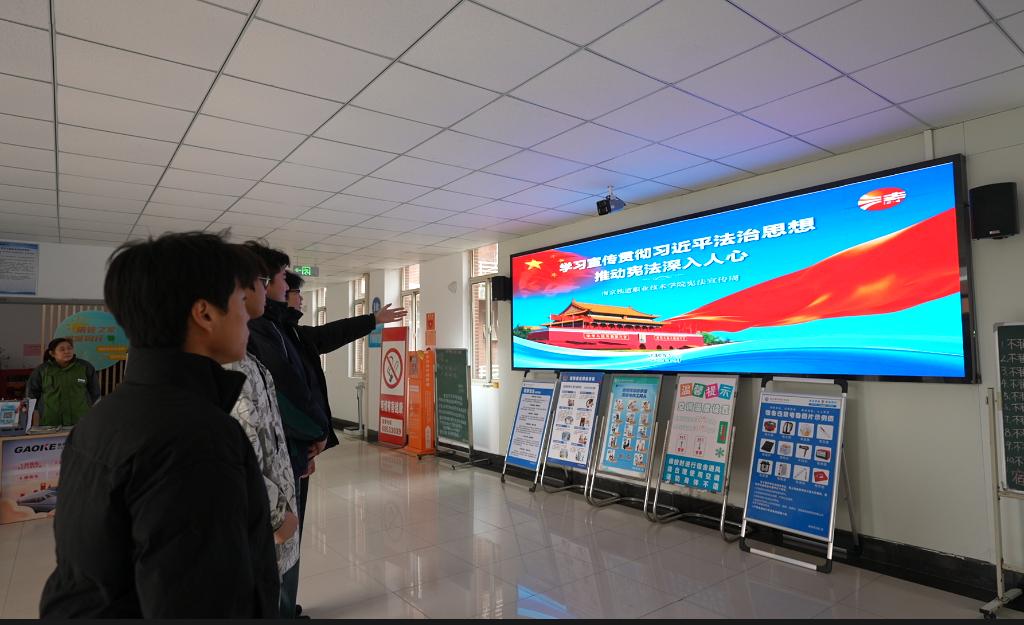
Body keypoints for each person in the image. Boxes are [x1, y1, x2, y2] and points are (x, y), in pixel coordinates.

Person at [39, 232, 279, 618]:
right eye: (239, 300)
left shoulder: (104, 415)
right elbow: (200, 604)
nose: (247, 314)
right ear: (205, 314)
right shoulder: (196, 438)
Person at [242, 241, 405, 616]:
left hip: (294, 448)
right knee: (281, 537)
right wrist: (314, 433)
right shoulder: (262, 333)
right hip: (283, 450)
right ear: (261, 283)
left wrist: (372, 320)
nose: (293, 292)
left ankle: (285, 607)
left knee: (290, 537)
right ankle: (279, 610)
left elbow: (327, 337)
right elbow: (283, 397)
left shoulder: (286, 331)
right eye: (286, 281)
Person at [224, 246, 301, 618]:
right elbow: (243, 448)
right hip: (262, 524)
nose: (280, 287)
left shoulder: (248, 355)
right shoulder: (228, 365)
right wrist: (276, 514)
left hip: (270, 519)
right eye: (268, 279)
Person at [25, 337, 100, 429]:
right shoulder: (42, 370)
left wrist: (84, 406)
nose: (67, 351)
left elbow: (95, 392)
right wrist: (42, 409)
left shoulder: (85, 367)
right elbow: (31, 394)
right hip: (51, 421)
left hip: (80, 420)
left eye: (69, 348)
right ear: (52, 353)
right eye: (62, 349)